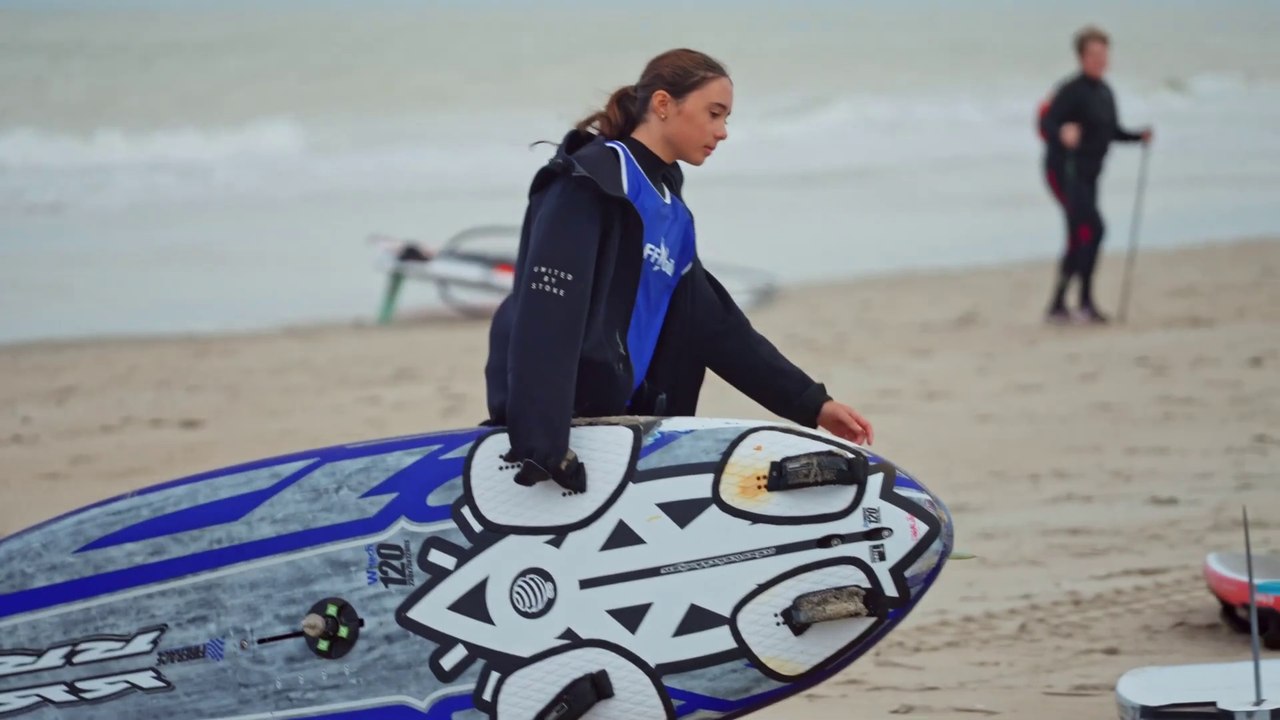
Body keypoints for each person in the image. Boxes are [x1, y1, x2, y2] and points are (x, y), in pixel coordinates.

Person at [483, 48, 873, 492]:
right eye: (714, 113)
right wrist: (543, 440)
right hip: (562, 431)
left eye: (726, 119)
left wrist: (811, 404)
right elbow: (546, 312)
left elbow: (716, 327)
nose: (722, 132)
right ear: (664, 105)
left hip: (621, 426)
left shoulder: (670, 207)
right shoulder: (590, 182)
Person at [1039, 25, 1152, 324]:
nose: (1099, 59)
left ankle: (1060, 305)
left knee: (1080, 235)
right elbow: (1046, 122)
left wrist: (1138, 137)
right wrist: (1062, 131)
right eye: (1093, 54)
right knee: (1092, 229)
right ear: (1081, 57)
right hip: (1064, 172)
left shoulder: (1104, 92)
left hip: (1089, 175)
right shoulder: (1070, 90)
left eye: (1103, 53)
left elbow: (1110, 131)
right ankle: (1083, 302)